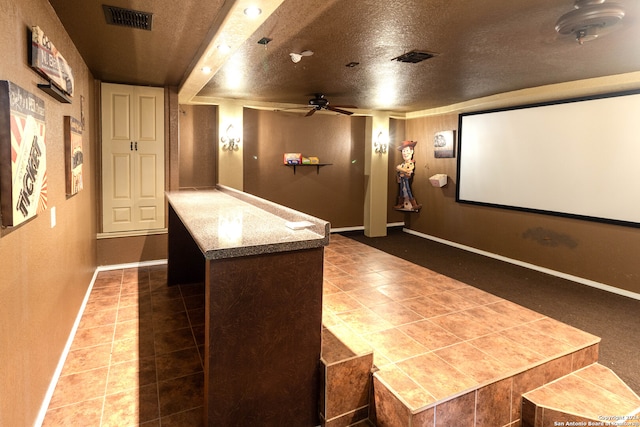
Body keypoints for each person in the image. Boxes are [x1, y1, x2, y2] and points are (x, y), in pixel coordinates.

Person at [394, 140, 422, 211]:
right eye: (403, 151)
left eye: (406, 150)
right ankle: (400, 203)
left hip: (406, 179)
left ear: (411, 151)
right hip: (402, 179)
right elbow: (399, 170)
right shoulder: (403, 164)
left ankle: (414, 204)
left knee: (408, 190)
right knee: (401, 191)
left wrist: (400, 168)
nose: (405, 153)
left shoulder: (410, 163)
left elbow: (408, 170)